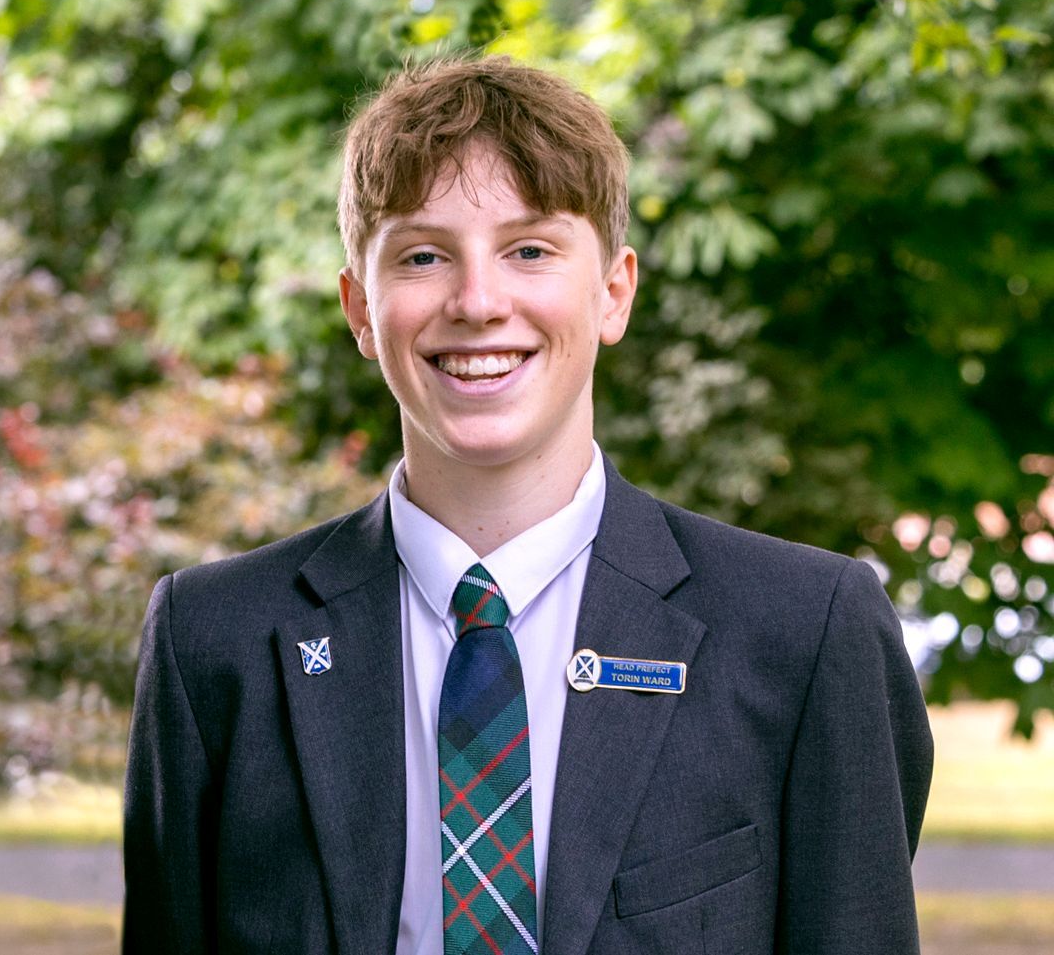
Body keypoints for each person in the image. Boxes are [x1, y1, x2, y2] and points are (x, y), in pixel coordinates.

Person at [122, 55, 933, 955]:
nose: (478, 301)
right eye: (423, 256)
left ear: (614, 291)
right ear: (360, 307)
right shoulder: (213, 640)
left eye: (530, 250)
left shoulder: (802, 633)